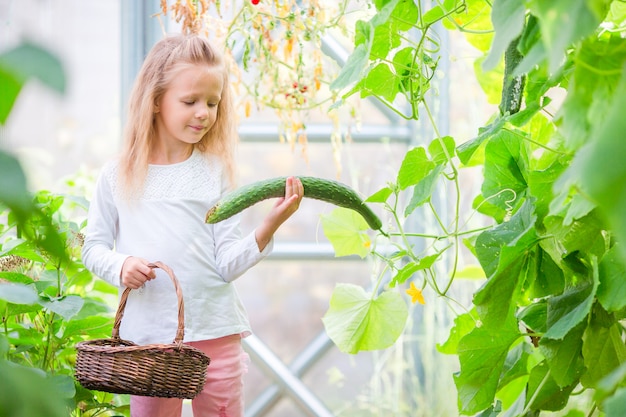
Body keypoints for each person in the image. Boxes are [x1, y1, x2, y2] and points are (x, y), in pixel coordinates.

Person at [81, 33, 304, 417]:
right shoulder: (117, 176)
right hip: (149, 341)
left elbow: (226, 264)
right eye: (190, 101)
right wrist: (121, 266)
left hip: (217, 331)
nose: (204, 112)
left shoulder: (214, 172)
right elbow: (93, 248)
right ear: (155, 101)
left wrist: (268, 226)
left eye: (213, 103)